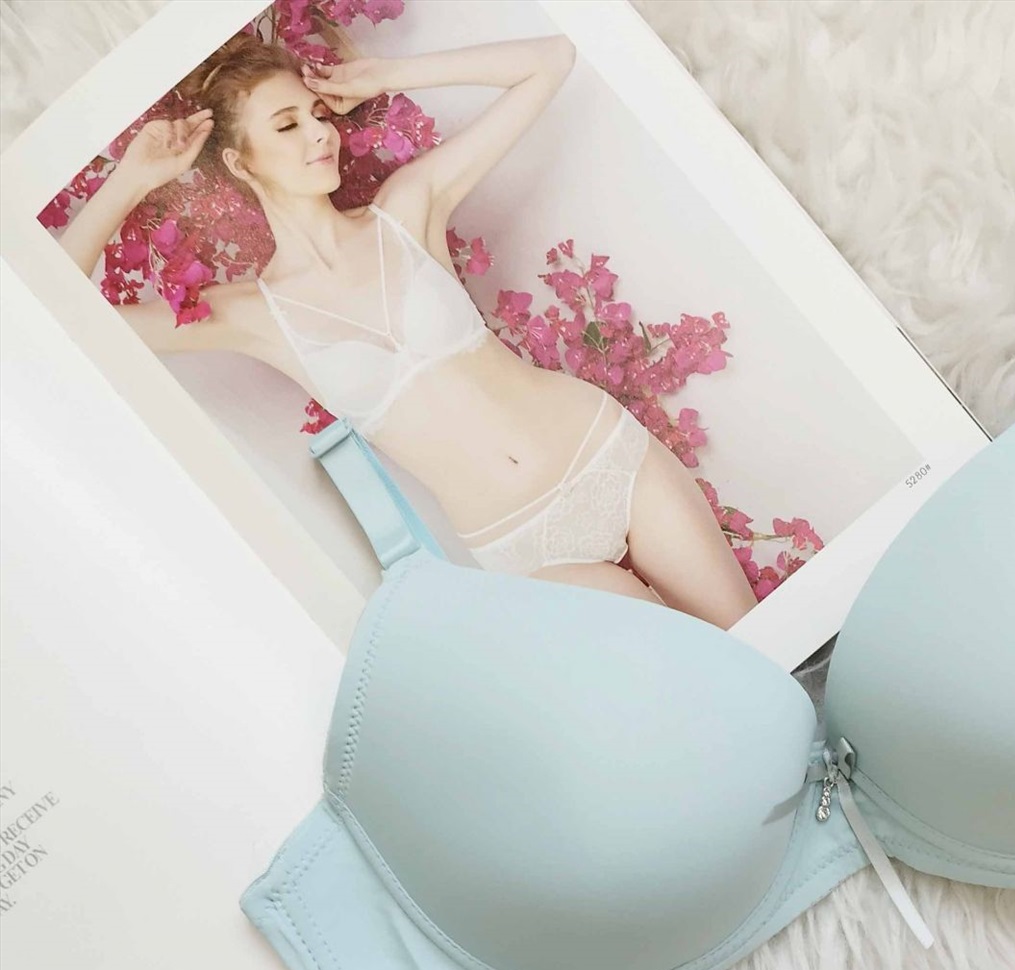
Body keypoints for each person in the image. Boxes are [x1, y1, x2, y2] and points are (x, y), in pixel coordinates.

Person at [58, 30, 758, 627]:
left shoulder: (406, 210)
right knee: (699, 692)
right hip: (526, 545)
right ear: (242, 163)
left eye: (317, 114)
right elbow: (59, 317)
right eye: (287, 125)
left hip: (607, 455)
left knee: (771, 652)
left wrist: (386, 74)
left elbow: (550, 60)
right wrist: (132, 179)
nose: (319, 132)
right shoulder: (254, 316)